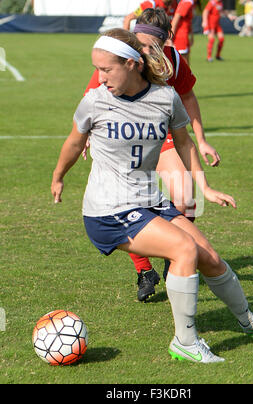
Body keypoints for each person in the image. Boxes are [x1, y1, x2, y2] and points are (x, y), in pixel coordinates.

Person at [51, 28, 253, 363]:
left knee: (209, 256)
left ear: (132, 64)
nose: (99, 78)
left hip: (149, 201)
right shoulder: (95, 101)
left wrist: (204, 188)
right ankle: (185, 342)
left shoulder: (165, 98)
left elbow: (184, 142)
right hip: (108, 210)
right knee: (183, 249)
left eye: (106, 69)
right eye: (97, 69)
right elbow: (75, 142)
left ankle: (248, 318)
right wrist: (59, 177)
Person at [84, 8, 221, 302]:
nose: (142, 50)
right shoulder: (122, 60)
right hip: (127, 139)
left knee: (187, 199)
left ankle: (173, 256)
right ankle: (145, 270)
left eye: (149, 45)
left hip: (162, 137)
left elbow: (187, 98)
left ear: (163, 44)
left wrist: (203, 140)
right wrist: (86, 138)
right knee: (130, 202)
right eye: (138, 42)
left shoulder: (173, 61)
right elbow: (92, 97)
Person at [171, 0, 198, 65]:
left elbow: (188, 21)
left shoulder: (190, 3)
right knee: (183, 65)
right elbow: (175, 20)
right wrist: (170, 38)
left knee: (185, 65)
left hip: (184, 36)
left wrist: (191, 36)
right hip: (180, 37)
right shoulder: (186, 3)